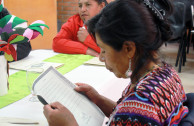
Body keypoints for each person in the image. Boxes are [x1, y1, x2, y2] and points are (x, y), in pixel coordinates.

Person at [43, 0, 189, 125]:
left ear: (129, 48)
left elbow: (131, 114)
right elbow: (127, 116)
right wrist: (98, 100)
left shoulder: (140, 106)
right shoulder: (165, 72)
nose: (101, 57)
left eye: (104, 50)